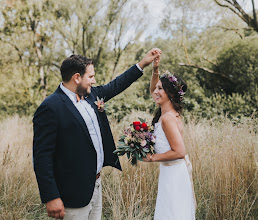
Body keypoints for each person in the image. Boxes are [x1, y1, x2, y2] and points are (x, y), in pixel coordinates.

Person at [33, 48, 161, 220]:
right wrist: (51, 196)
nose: (94, 81)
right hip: (72, 192)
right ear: (77, 77)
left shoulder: (91, 95)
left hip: (96, 184)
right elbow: (42, 156)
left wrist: (143, 63)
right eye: (91, 77)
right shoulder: (51, 107)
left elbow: (117, 84)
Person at [143, 55, 196, 219]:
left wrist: (151, 158)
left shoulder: (167, 118)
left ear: (170, 93)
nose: (156, 92)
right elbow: (152, 89)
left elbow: (180, 151)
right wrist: (155, 69)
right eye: (157, 88)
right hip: (171, 171)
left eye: (160, 89)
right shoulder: (170, 113)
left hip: (173, 174)